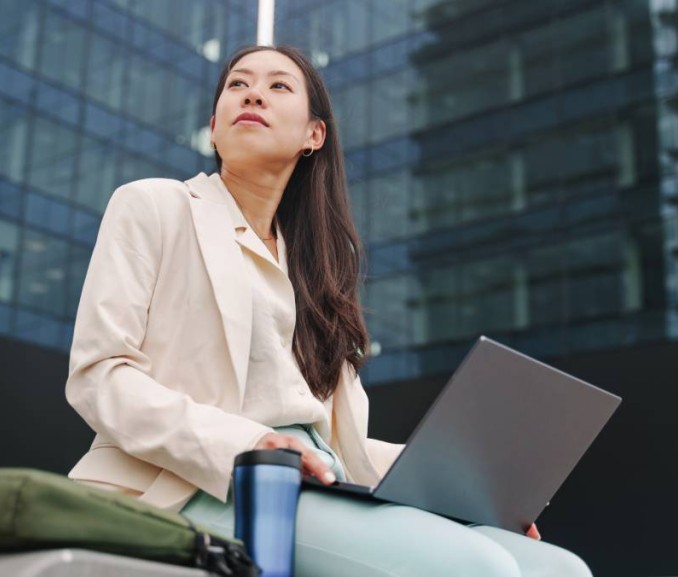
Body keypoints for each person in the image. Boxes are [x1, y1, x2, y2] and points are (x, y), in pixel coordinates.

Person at [66, 44, 591, 577]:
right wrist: (250, 445)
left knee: (559, 568)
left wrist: (476, 492)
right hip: (194, 484)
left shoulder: (315, 267)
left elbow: (340, 448)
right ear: (215, 126)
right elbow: (99, 376)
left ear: (314, 136)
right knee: (479, 568)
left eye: (278, 86)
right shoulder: (155, 206)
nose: (252, 93)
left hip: (319, 483)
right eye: (238, 84)